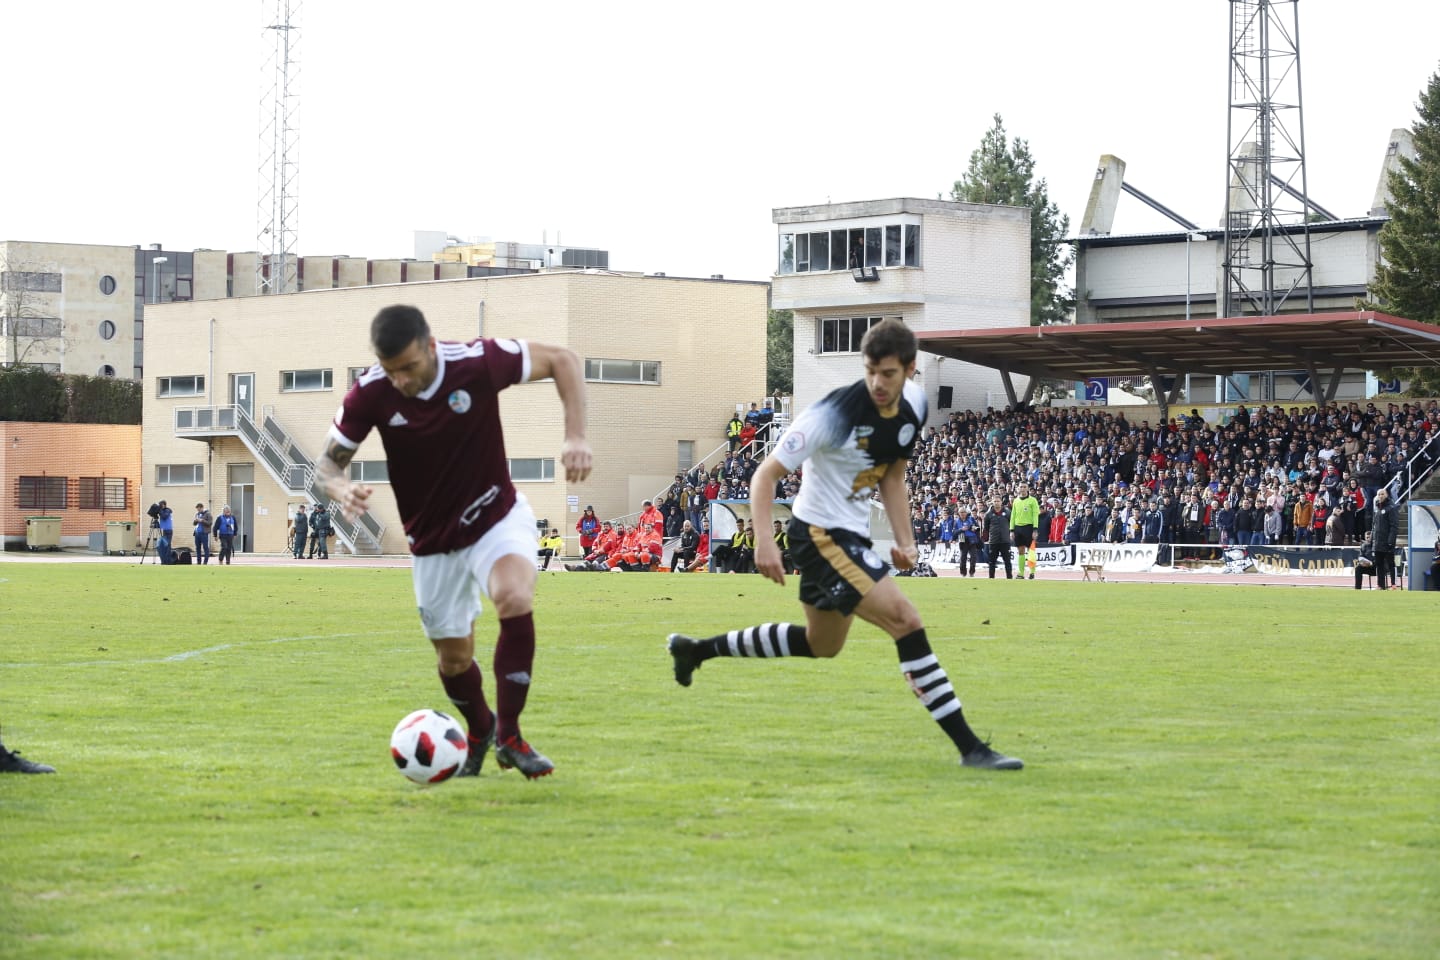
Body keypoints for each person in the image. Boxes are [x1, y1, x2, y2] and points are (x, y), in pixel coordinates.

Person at [667, 318, 1022, 771]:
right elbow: (764, 476)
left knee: (822, 645)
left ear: (910, 370)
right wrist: (762, 543)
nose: (877, 382)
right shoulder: (831, 414)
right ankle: (971, 748)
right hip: (818, 535)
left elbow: (893, 476)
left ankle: (696, 650)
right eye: (870, 370)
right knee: (905, 620)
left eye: (888, 374)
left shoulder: (915, 404)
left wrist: (907, 542)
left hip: (847, 535)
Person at [316, 304, 591, 779]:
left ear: (430, 345)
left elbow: (564, 359)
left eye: (408, 367)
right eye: (390, 370)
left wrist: (576, 437)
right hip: (431, 543)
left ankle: (510, 736)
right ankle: (481, 729)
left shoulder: (476, 362)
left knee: (513, 595)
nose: (400, 380)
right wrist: (342, 488)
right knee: (454, 658)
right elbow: (326, 464)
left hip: (495, 518)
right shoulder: (370, 393)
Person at [1371, 488, 1400, 590]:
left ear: (1386, 495)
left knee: (1391, 563)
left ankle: (1393, 584)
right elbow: (1374, 526)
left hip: (1387, 542)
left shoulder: (1391, 508)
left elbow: (1394, 526)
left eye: (1382, 494)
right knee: (1379, 565)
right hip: (1378, 542)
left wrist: (1391, 541)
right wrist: (1372, 540)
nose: (1380, 496)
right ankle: (1380, 585)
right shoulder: (1377, 509)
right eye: (1378, 494)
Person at [1010, 482, 1040, 579]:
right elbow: (1012, 516)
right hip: (1018, 528)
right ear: (1018, 488)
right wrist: (1011, 530)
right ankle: (1021, 573)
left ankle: (1032, 572)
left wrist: (1035, 529)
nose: (1022, 488)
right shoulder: (1016, 501)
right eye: (1021, 487)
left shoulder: (1033, 500)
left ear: (1027, 489)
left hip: (1029, 527)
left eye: (1024, 487)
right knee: (1021, 551)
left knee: (1031, 550)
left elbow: (1035, 515)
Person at [984, 497, 1014, 579]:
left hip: (1005, 541)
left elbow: (1012, 525)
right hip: (993, 541)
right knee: (992, 562)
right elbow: (986, 528)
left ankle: (1009, 578)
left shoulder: (1008, 512)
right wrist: (985, 539)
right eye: (995, 501)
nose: (996, 502)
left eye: (998, 501)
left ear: (1001, 502)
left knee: (1007, 561)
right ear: (992, 503)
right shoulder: (988, 514)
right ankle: (991, 578)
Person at [156, 500, 175, 565]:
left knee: (167, 545)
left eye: (161, 505)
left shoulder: (167, 510)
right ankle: (164, 560)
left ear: (164, 505)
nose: (160, 507)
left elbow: (164, 517)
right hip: (165, 530)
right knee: (164, 545)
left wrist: (159, 511)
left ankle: (168, 561)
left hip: (169, 530)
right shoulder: (162, 511)